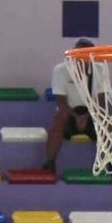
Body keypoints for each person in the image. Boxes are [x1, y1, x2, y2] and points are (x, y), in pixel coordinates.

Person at [44, 38, 95, 173]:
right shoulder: (61, 70)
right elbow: (61, 102)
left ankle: (111, 164)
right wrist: (77, 117)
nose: (80, 59)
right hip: (69, 114)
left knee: (106, 120)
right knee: (61, 116)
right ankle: (50, 162)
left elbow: (101, 102)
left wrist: (87, 116)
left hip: (92, 114)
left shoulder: (99, 70)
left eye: (84, 56)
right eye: (77, 55)